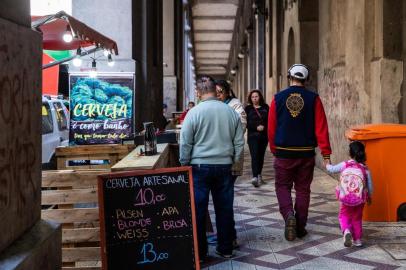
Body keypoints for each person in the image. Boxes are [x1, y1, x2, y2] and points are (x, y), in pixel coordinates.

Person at [179, 76, 244, 260]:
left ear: (198, 92)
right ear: (216, 91)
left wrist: (184, 164)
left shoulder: (194, 112)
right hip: (224, 167)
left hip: (199, 167)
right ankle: (225, 249)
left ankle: (200, 253)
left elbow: (185, 142)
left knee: (198, 210)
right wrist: (236, 165)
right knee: (224, 208)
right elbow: (239, 143)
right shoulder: (231, 112)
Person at [268, 63, 332, 241]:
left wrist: (274, 149)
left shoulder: (277, 98)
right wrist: (326, 154)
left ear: (290, 77)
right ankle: (301, 226)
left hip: (283, 153)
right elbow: (321, 128)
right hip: (306, 153)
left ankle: (289, 215)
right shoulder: (314, 99)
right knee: (303, 189)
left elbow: (271, 127)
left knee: (282, 186)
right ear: (307, 79)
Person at [215, 79, 247, 248]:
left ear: (227, 92)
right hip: (217, 158)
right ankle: (227, 235)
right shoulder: (214, 105)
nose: (218, 95)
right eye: (216, 92)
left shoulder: (235, 106)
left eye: (220, 92)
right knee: (222, 199)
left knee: (225, 199)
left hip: (230, 157)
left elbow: (241, 127)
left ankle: (229, 238)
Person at [326, 141, 373, 247]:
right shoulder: (365, 169)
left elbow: (332, 169)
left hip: (346, 197)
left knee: (343, 215)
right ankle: (358, 240)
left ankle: (346, 230)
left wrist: (327, 163)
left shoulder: (345, 164)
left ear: (350, 153)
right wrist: (369, 196)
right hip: (359, 198)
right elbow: (370, 186)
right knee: (357, 217)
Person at [245, 90, 269, 188]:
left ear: (260, 97)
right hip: (252, 137)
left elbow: (270, 120)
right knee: (255, 156)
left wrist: (264, 127)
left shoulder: (266, 107)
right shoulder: (248, 108)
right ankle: (255, 176)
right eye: (253, 97)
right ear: (250, 98)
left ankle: (259, 174)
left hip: (263, 136)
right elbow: (245, 122)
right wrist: (256, 127)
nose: (255, 98)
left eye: (256, 96)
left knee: (261, 156)